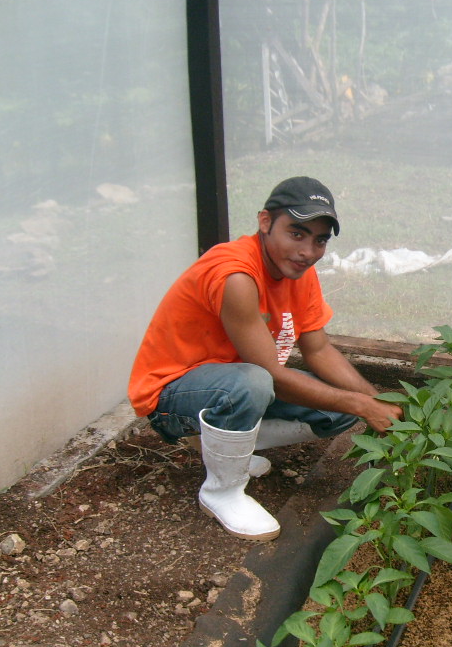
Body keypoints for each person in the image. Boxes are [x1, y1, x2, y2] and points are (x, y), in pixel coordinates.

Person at [128, 176, 401, 542]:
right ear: (265, 222)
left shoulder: (299, 272)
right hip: (170, 394)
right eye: (297, 233)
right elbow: (269, 374)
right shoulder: (236, 275)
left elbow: (318, 350)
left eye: (320, 240)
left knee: (339, 411)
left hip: (227, 383)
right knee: (253, 383)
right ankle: (222, 491)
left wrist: (375, 400)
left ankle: (224, 443)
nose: (308, 250)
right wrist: (364, 405)